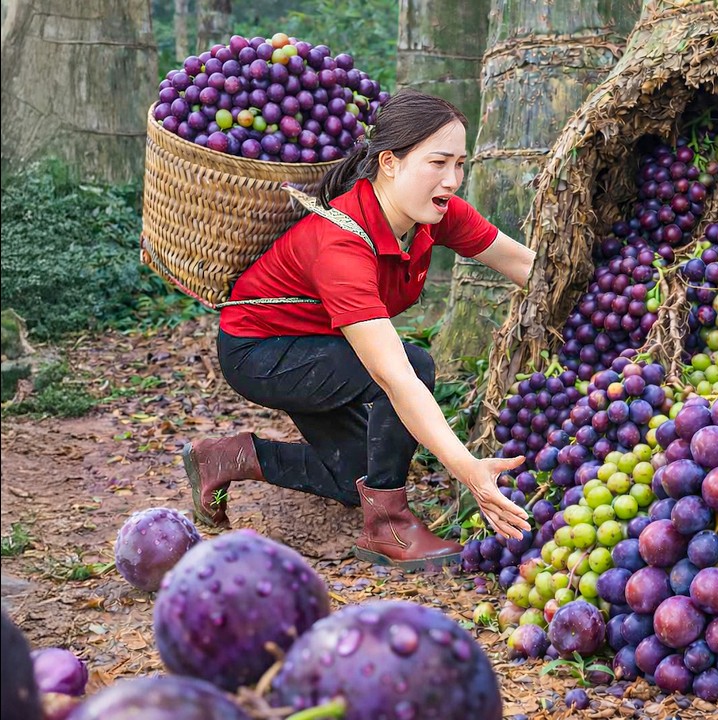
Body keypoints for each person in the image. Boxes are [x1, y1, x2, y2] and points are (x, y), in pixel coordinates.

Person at [181, 90, 532, 571]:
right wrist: (467, 468)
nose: (452, 179)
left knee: (354, 478)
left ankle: (228, 458)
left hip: (320, 344)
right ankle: (389, 526)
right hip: (261, 352)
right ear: (390, 162)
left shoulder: (434, 213)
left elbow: (520, 263)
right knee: (415, 364)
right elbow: (394, 377)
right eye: (438, 162)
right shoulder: (342, 243)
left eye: (460, 163)